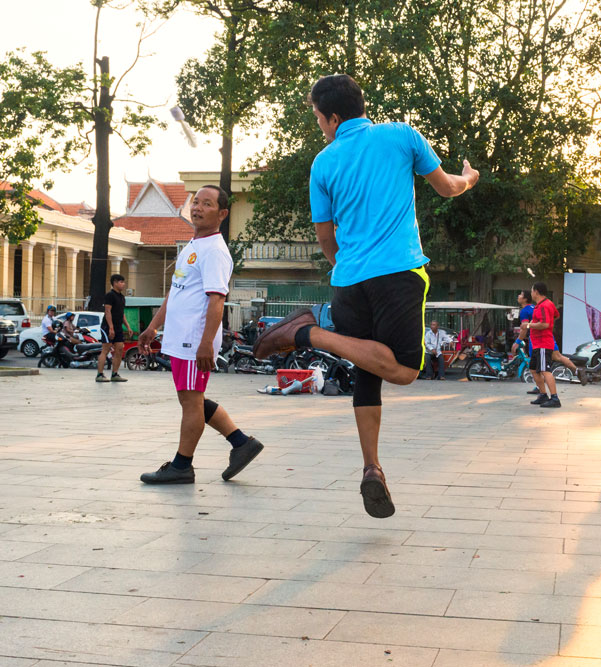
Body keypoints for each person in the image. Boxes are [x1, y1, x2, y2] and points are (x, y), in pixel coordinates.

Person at [251, 74, 478, 518]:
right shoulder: (401, 135)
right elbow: (448, 187)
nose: (318, 125)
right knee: (407, 370)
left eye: (318, 117)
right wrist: (469, 177)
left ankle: (372, 468)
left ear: (333, 117)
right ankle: (311, 335)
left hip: (349, 281)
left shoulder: (323, 162)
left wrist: (345, 267)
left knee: (369, 368)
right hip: (398, 272)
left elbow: (325, 237)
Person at [136, 185, 264, 484]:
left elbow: (217, 300)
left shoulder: (216, 252)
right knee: (192, 398)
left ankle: (182, 466)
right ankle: (241, 443)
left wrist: (206, 343)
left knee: (191, 402)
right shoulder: (193, 247)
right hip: (182, 339)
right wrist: (153, 326)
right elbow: (175, 293)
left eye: (207, 204)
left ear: (222, 214)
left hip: (194, 341)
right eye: (196, 202)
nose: (197, 208)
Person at [516, 289, 587, 393]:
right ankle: (576, 370)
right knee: (557, 357)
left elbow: (526, 327)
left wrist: (517, 341)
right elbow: (556, 316)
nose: (518, 296)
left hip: (539, 340)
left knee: (540, 367)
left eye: (521, 294)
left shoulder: (528, 310)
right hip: (548, 337)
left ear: (535, 293)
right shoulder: (544, 304)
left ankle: (548, 393)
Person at [526, 281, 561, 408]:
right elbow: (556, 315)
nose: (531, 293)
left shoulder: (543, 306)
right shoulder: (545, 304)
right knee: (534, 370)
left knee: (545, 370)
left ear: (536, 291)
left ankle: (555, 398)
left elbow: (545, 324)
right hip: (537, 343)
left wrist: (529, 325)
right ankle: (543, 394)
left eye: (531, 291)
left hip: (543, 343)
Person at [95, 274, 132, 383]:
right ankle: (100, 374)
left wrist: (128, 326)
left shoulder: (122, 297)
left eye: (123, 282)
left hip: (118, 327)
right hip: (107, 326)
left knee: (120, 348)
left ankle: (115, 373)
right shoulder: (110, 295)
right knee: (105, 349)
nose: (123, 284)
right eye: (121, 282)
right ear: (115, 283)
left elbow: (121, 313)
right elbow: (108, 312)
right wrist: (111, 328)